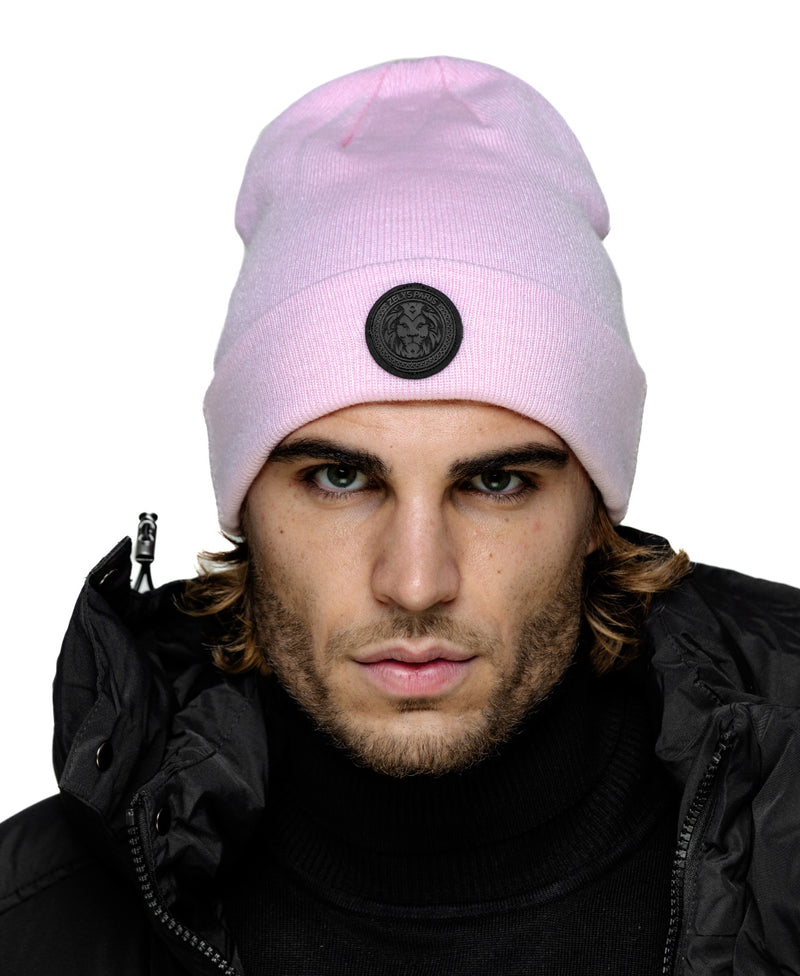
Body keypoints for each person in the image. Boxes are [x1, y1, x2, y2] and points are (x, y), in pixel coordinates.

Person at [1, 55, 798, 975]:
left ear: (596, 514)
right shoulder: (34, 931)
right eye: (341, 478)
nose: (416, 583)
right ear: (244, 504)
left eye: (496, 483)